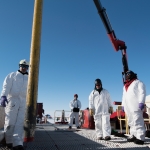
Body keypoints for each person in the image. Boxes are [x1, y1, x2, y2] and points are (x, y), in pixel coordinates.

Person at [0, 59, 29, 150]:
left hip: (24, 101)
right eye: (22, 66)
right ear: (19, 66)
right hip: (12, 100)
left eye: (26, 67)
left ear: (28, 68)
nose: (24, 68)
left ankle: (17, 143)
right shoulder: (12, 76)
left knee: (20, 122)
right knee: (10, 122)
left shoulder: (30, 78)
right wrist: (3, 96)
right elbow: (6, 86)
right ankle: (9, 141)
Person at [122, 70, 146, 145]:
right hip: (128, 106)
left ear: (132, 75)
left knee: (137, 121)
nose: (127, 76)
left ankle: (140, 137)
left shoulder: (138, 82)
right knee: (131, 121)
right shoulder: (126, 85)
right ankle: (133, 135)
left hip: (136, 105)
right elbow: (124, 96)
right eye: (126, 75)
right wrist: (123, 105)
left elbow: (142, 92)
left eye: (128, 74)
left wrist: (141, 102)